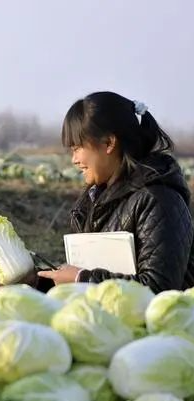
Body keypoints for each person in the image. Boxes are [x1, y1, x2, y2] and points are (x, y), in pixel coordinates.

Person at [38, 91, 194, 293]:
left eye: (77, 148)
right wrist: (33, 281)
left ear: (109, 143)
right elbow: (92, 275)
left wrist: (81, 278)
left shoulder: (159, 200)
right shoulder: (95, 198)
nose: (74, 160)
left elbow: (158, 287)